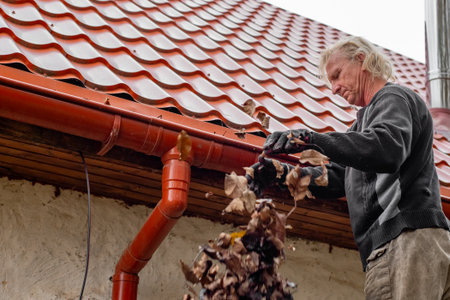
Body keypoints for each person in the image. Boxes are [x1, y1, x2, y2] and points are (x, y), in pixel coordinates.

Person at [247, 36, 450, 299]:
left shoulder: (392, 98)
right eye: (330, 81)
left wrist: (312, 139)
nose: (334, 88)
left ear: (362, 61)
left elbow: (385, 148)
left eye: (338, 75)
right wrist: (280, 173)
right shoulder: (361, 128)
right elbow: (336, 177)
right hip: (418, 244)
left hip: (404, 240)